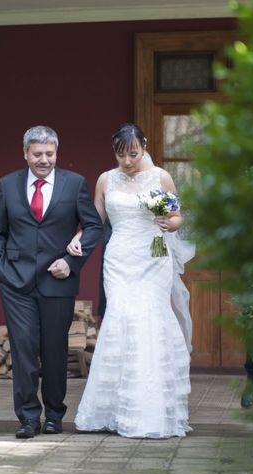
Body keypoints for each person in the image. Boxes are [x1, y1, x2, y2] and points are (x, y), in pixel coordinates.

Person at [70, 123, 193, 438]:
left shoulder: (159, 178)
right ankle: (111, 408)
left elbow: (177, 216)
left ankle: (148, 411)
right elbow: (96, 217)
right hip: (119, 258)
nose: (127, 161)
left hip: (153, 258)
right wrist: (79, 237)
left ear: (144, 147)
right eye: (121, 154)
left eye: (134, 153)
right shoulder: (105, 179)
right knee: (120, 318)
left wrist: (170, 223)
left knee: (149, 321)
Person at [0, 125, 103, 439]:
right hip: (16, 282)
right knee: (23, 348)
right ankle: (27, 418)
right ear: (25, 153)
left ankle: (54, 415)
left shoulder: (75, 184)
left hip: (58, 281)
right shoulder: (8, 185)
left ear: (56, 153)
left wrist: (72, 261)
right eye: (37, 154)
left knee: (54, 351)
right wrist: (1, 271)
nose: (44, 160)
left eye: (49, 154)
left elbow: (93, 227)